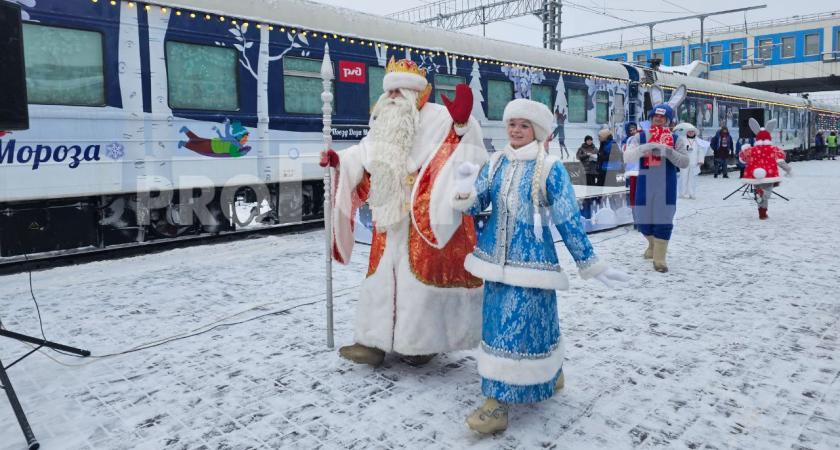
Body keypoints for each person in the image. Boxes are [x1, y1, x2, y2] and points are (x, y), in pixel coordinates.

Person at [451, 99, 629, 434]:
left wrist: (591, 263)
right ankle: (517, 391)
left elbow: (567, 219)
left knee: (526, 325)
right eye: (512, 124)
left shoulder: (550, 168)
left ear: (537, 131)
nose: (515, 131)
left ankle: (515, 393)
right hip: (494, 262)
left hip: (533, 263)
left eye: (524, 125)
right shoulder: (497, 162)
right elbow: (478, 203)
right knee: (498, 328)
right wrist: (464, 189)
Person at [318, 57, 488, 367]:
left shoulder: (440, 118)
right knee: (381, 277)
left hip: (426, 214)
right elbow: (364, 154)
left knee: (417, 280)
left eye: (400, 90)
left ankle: (418, 344)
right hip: (389, 213)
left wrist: (463, 125)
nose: (394, 96)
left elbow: (469, 154)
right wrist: (338, 161)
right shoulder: (383, 121)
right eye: (390, 91)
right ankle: (371, 342)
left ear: (416, 93)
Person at [623, 84, 691, 273]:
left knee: (663, 219)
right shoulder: (640, 136)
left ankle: (659, 258)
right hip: (645, 183)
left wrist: (667, 151)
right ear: (650, 117)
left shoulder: (677, 139)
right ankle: (652, 245)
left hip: (666, 184)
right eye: (655, 116)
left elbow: (685, 163)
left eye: (663, 116)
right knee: (643, 221)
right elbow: (627, 157)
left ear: (669, 120)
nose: (659, 119)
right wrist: (645, 147)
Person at [739, 118, 793, 220]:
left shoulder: (752, 150)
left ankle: (762, 214)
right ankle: (763, 196)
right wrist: (788, 170)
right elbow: (780, 161)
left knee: (760, 195)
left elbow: (742, 159)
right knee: (766, 193)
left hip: (754, 175)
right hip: (769, 174)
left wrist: (744, 149)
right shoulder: (773, 149)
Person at [178, 119, 251, 158]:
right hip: (212, 148)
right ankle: (183, 143)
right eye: (245, 138)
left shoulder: (232, 138)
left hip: (212, 142)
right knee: (196, 147)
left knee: (196, 139)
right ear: (239, 137)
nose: (246, 140)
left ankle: (185, 130)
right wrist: (241, 153)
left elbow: (226, 134)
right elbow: (233, 154)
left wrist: (227, 124)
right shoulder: (235, 146)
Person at [674, 123, 710, 199]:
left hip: (694, 163)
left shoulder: (698, 142)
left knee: (693, 178)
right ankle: (681, 193)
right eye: (689, 131)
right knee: (683, 177)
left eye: (692, 131)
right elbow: (679, 151)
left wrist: (700, 162)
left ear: (694, 133)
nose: (691, 133)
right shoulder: (683, 141)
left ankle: (691, 193)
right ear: (687, 133)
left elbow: (701, 152)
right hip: (684, 162)